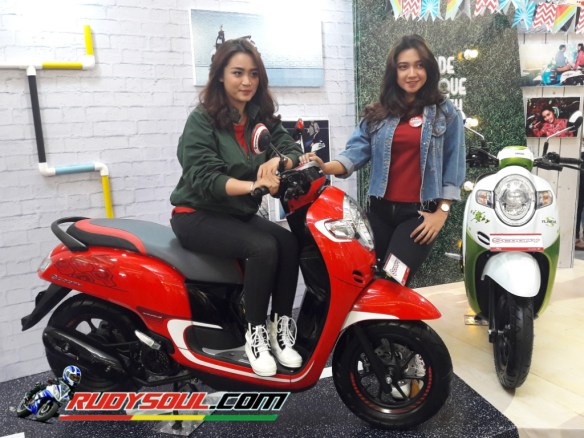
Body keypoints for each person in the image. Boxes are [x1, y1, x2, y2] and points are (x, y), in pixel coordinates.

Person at [170, 38, 303, 377]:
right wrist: (254, 185)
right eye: (238, 73)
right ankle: (254, 334)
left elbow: (290, 148)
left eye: (253, 74)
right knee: (263, 248)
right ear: (220, 75)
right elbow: (205, 177)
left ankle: (279, 329)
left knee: (289, 242)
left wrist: (279, 162)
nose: (247, 82)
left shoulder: (260, 118)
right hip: (196, 215)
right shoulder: (202, 120)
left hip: (236, 213)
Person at [300, 34, 465, 285]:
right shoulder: (379, 112)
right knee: (366, 281)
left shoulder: (445, 112)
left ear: (429, 69)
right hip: (378, 213)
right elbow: (355, 153)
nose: (412, 73)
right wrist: (325, 167)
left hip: (418, 217)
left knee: (392, 280)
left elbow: (454, 163)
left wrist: (441, 213)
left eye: (419, 65)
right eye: (403, 67)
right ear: (394, 72)